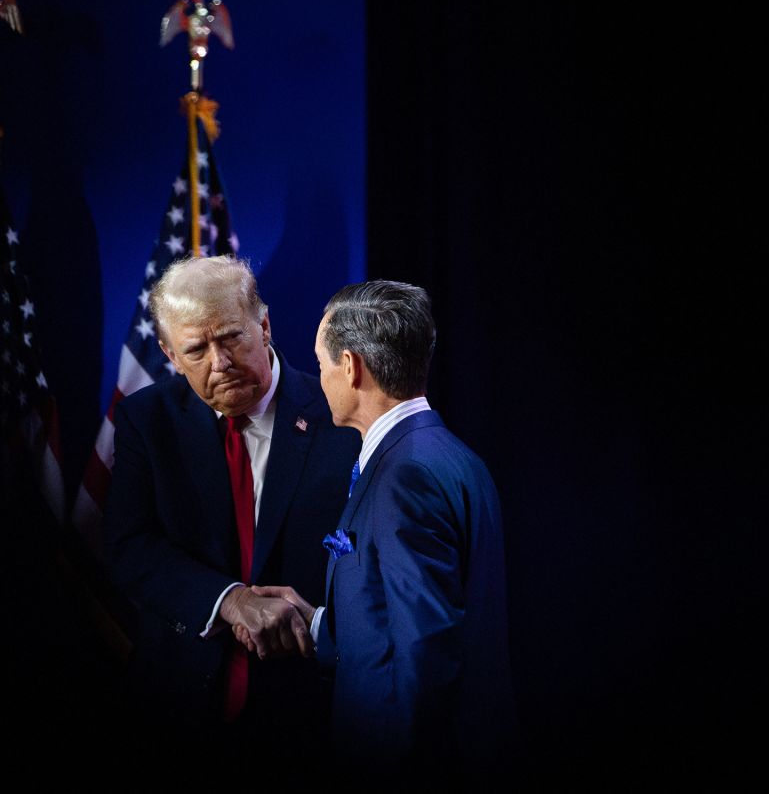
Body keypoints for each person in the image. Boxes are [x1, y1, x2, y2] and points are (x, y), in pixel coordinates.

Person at [246, 280, 517, 777]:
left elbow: (424, 653)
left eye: (323, 362)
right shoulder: (456, 458)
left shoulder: (403, 476)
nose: (319, 377)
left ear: (350, 367)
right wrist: (319, 622)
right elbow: (403, 620)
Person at [101, 255, 360, 755]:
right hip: (179, 705)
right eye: (196, 349)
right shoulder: (145, 420)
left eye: (231, 338)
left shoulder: (339, 415)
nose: (219, 362)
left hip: (307, 710)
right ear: (169, 355)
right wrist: (231, 600)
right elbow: (127, 546)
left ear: (263, 326)